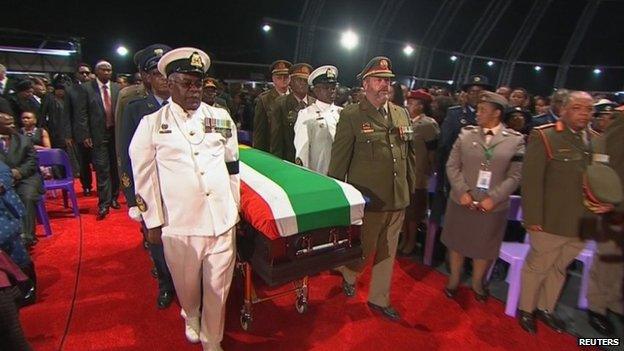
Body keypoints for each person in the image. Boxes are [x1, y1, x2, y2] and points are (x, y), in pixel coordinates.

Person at [129, 47, 239, 351]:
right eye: (186, 83)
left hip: (221, 220)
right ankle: (191, 314)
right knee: (188, 288)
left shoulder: (220, 117)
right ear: (169, 83)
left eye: (198, 84)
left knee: (218, 288)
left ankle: (211, 339)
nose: (194, 90)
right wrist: (152, 220)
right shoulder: (151, 125)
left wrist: (235, 207)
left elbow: (232, 166)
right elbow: (144, 177)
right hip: (181, 225)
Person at [328, 56, 414, 321]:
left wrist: (408, 190)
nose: (384, 85)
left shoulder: (401, 113)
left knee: (388, 252)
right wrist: (337, 200)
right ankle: (348, 271)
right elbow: (339, 161)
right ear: (365, 84)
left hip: (397, 198)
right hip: (369, 200)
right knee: (364, 252)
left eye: (387, 80)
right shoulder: (352, 115)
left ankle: (379, 299)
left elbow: (408, 156)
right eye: (378, 80)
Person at [518, 91, 611, 334]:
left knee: (560, 268)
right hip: (550, 219)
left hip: (583, 222)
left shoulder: (596, 140)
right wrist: (533, 219)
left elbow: (601, 180)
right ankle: (526, 310)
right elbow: (531, 181)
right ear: (564, 110)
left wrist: (606, 202)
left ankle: (546, 308)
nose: (584, 114)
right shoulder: (546, 136)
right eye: (578, 108)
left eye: (588, 109)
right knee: (538, 267)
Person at [441, 91, 524, 300]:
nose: (477, 113)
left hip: (493, 206)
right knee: (457, 243)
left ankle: (478, 283)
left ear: (497, 113)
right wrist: (462, 192)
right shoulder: (465, 134)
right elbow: (452, 166)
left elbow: (516, 176)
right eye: (477, 108)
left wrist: (493, 198)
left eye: (482, 110)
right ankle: (454, 279)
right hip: (461, 201)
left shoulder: (515, 141)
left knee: (483, 247)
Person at [119, 43, 175, 309]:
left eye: (166, 72)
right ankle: (165, 284)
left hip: (178, 188)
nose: (162, 79)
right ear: (146, 77)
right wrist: (133, 199)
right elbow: (125, 155)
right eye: (156, 73)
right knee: (155, 240)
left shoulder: (185, 107)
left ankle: (181, 279)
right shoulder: (135, 108)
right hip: (150, 188)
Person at [431, 75, 493, 225]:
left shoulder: (493, 117)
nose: (477, 95)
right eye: (473, 91)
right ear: (466, 94)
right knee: (447, 215)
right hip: (455, 172)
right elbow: (444, 144)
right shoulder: (455, 114)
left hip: (480, 175)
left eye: (481, 92)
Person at [586, 109, 624, 335]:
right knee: (608, 259)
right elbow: (604, 170)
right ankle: (597, 308)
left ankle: (615, 304)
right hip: (616, 208)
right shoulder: (618, 127)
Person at [75, 60, 121, 220]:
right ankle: (104, 204)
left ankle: (115, 197)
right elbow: (82, 113)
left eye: (109, 69)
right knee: (102, 168)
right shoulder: (86, 89)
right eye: (104, 69)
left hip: (115, 134)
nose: (107, 72)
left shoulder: (116, 88)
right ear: (97, 71)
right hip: (97, 134)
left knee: (115, 167)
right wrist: (85, 134)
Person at [400, 89, 439, 255]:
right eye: (408, 102)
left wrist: (429, 169)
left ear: (421, 106)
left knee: (414, 213)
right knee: (403, 210)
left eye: (412, 103)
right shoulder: (406, 121)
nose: (408, 105)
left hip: (418, 175)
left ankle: (412, 241)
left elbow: (432, 152)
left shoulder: (428, 124)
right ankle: (404, 238)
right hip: (403, 173)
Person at [0, 113, 44, 249]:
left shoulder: (24, 140)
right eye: (7, 123)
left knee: (27, 196)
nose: (12, 125)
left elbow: (32, 161)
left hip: (26, 178)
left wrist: (19, 172)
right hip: (2, 181)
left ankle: (27, 237)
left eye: (12, 122)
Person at [293, 65, 341, 174]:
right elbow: (302, 151)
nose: (331, 91)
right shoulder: (306, 115)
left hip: (341, 176)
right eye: (326, 87)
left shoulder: (342, 113)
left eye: (333, 87)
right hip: (319, 174)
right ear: (315, 90)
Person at [270, 63, 315, 162]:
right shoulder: (281, 104)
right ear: (291, 81)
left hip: (312, 161)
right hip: (289, 161)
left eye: (306, 80)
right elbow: (276, 140)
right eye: (299, 80)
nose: (303, 83)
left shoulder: (315, 103)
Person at [65, 64, 94, 196]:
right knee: (83, 162)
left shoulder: (96, 88)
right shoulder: (71, 91)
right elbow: (67, 114)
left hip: (97, 132)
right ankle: (86, 186)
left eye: (87, 73)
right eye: (82, 73)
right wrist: (68, 134)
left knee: (101, 163)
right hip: (79, 134)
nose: (85, 75)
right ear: (76, 74)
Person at [253, 60, 291, 152]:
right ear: (273, 79)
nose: (283, 80)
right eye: (279, 77)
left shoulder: (296, 97)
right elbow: (259, 132)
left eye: (286, 77)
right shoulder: (264, 100)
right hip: (272, 149)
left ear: (290, 78)